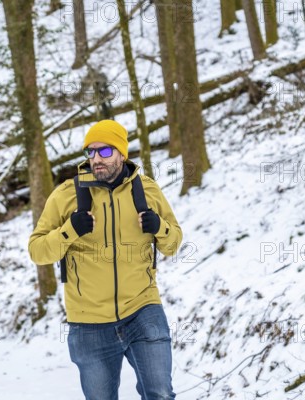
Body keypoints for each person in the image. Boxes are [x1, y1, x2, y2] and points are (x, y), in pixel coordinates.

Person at [28, 119, 183, 400]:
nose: (96, 159)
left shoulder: (146, 191)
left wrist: (158, 226)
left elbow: (173, 244)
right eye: (91, 152)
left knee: (160, 393)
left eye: (105, 151)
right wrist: (69, 231)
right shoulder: (66, 195)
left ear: (122, 154)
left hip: (142, 309)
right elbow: (37, 250)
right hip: (89, 322)